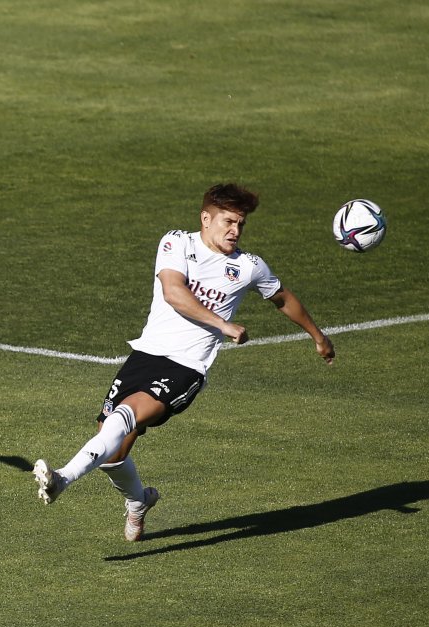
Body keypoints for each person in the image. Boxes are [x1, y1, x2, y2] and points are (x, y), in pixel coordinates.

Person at [32, 183, 334, 541]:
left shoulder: (249, 266)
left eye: (241, 224)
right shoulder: (177, 243)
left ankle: (62, 478)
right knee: (111, 451)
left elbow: (282, 298)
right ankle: (139, 502)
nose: (235, 231)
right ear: (206, 219)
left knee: (124, 416)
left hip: (187, 367)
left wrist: (318, 337)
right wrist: (224, 324)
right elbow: (174, 292)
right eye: (228, 222)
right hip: (145, 354)